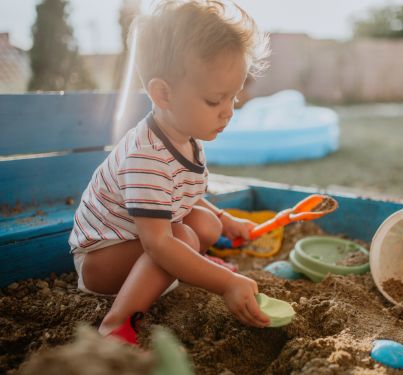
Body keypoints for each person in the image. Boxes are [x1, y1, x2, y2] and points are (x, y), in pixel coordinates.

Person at [68, 0, 271, 345]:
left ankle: (189, 268)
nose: (227, 113)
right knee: (181, 240)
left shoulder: (184, 137)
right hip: (101, 259)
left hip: (138, 240)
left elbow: (185, 196)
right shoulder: (147, 156)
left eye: (233, 98)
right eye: (214, 100)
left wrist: (228, 219)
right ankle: (115, 326)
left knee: (208, 224)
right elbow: (159, 243)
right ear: (163, 93)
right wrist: (225, 284)